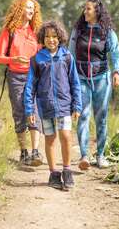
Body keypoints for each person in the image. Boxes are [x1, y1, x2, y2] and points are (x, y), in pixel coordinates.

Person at [24, 21, 82, 190]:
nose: (51, 40)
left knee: (65, 136)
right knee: (50, 139)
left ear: (60, 38)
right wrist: (29, 109)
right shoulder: (37, 59)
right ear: (42, 38)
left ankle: (67, 170)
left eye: (54, 37)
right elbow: (30, 86)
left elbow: (75, 83)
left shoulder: (66, 57)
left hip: (65, 104)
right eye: (47, 37)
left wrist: (77, 105)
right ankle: (53, 173)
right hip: (45, 105)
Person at [69, 0, 119, 170]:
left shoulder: (107, 32)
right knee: (83, 115)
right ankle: (84, 156)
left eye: (88, 9)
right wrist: (67, 76)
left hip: (102, 79)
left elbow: (115, 54)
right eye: (84, 9)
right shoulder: (77, 31)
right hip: (81, 78)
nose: (85, 12)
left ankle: (100, 156)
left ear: (97, 11)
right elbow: (70, 54)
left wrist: (117, 72)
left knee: (101, 118)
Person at [0, 0, 43, 166]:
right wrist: (15, 60)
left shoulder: (36, 32)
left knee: (35, 112)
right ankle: (23, 152)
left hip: (34, 77)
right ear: (19, 9)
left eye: (33, 8)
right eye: (27, 7)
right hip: (15, 77)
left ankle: (36, 152)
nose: (31, 11)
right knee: (20, 113)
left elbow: (42, 55)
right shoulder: (10, 30)